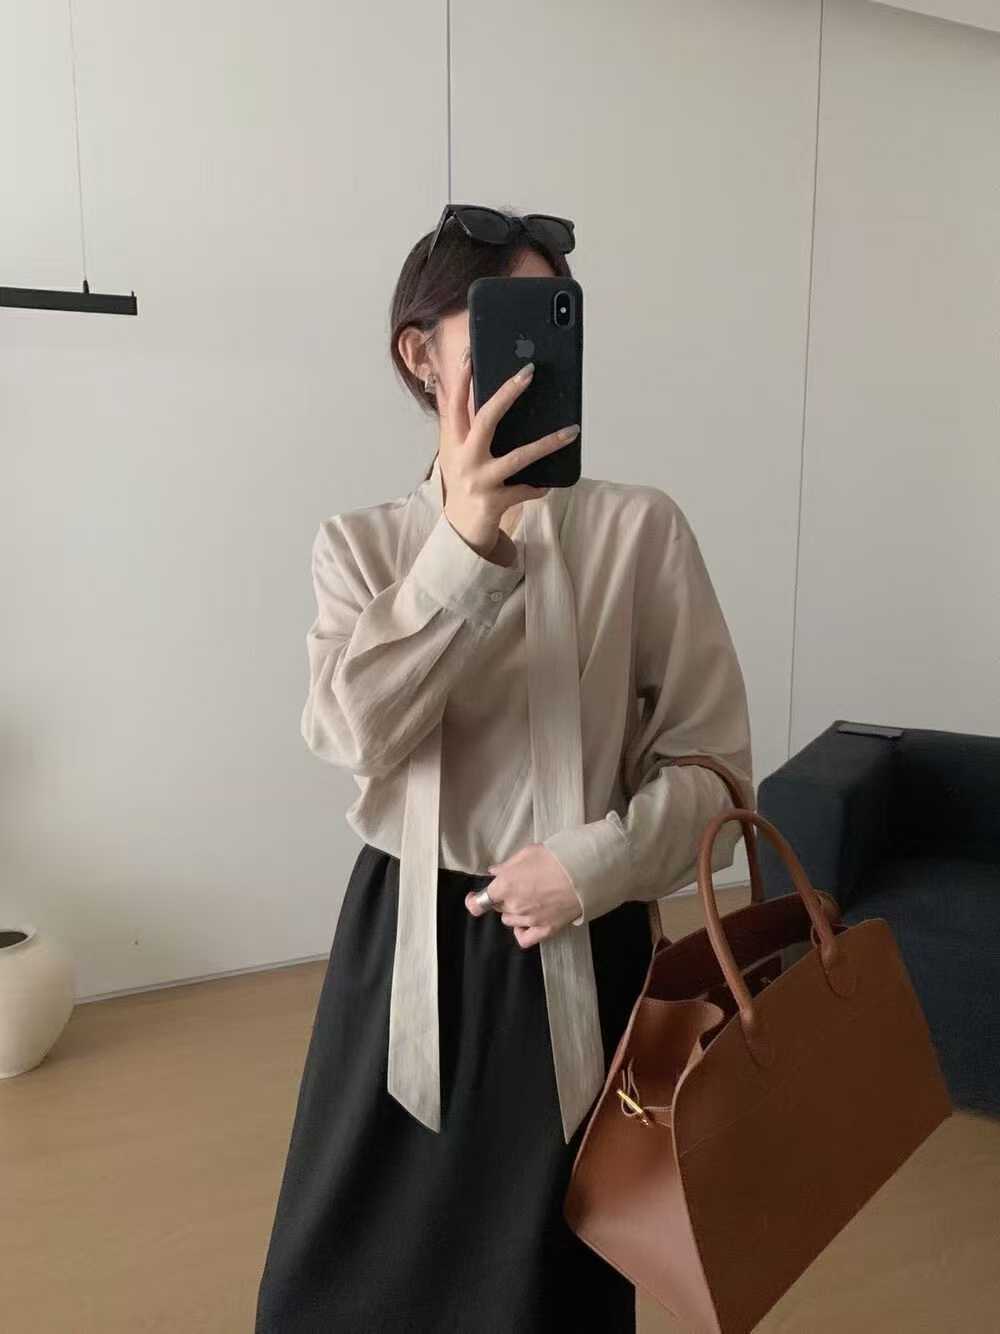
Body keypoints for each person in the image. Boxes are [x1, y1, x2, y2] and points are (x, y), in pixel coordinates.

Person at [254, 205, 755, 1333]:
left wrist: (593, 864)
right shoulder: (361, 548)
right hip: (403, 945)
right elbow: (351, 734)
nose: (531, 357)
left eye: (554, 321)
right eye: (500, 325)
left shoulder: (640, 533)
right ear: (420, 353)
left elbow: (717, 773)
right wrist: (466, 543)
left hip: (588, 943)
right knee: (340, 1280)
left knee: (546, 1287)